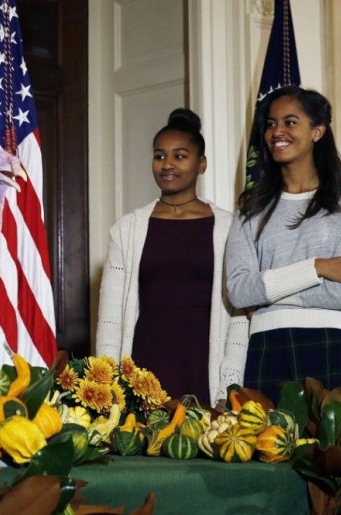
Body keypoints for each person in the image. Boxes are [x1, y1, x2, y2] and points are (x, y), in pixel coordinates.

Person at [225, 86, 341, 405]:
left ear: (317, 131)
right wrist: (318, 267)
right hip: (269, 350)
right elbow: (239, 291)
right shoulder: (250, 209)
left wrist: (267, 294)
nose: (277, 131)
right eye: (270, 124)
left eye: (290, 122)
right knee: (269, 454)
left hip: (337, 347)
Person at [96, 109, 248, 407]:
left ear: (201, 164)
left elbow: (240, 318)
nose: (167, 164)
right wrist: (109, 389)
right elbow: (110, 318)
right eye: (159, 156)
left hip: (203, 363)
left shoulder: (230, 227)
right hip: (144, 365)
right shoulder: (128, 228)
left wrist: (229, 389)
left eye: (180, 156)